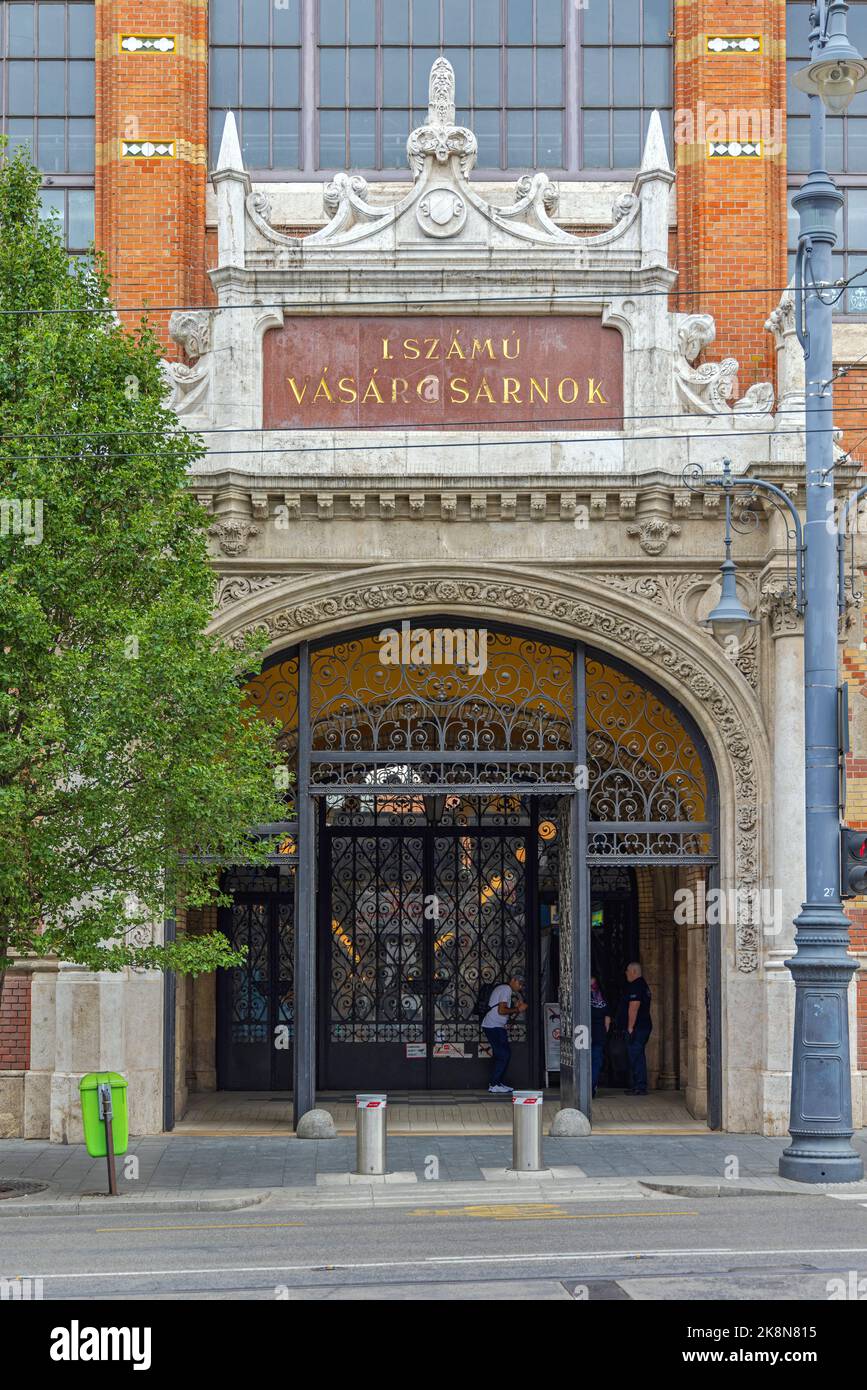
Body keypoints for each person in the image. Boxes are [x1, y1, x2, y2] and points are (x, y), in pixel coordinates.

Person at [483, 973, 527, 1094]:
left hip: (496, 1026)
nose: (521, 987)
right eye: (520, 983)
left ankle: (498, 1082)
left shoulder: (503, 989)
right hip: (493, 1026)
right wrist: (518, 1009)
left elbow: (502, 1010)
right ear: (513, 980)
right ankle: (494, 1084)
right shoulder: (506, 989)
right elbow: (501, 1010)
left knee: (503, 1054)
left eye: (522, 985)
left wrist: (514, 1009)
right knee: (503, 1055)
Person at [617, 961, 652, 1095]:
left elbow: (634, 1008)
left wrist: (630, 1027)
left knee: (635, 1056)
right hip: (643, 1026)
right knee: (638, 1055)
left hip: (638, 1028)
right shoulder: (643, 985)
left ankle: (639, 1086)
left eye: (627, 970)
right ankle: (638, 1085)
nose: (626, 973)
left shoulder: (636, 986)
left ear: (634, 972)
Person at [590, 975, 611, 1097]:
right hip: (599, 1034)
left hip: (584, 1034)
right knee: (596, 1062)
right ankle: (591, 1088)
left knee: (584, 1061)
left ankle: (584, 1089)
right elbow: (607, 1022)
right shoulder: (602, 999)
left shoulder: (582, 998)